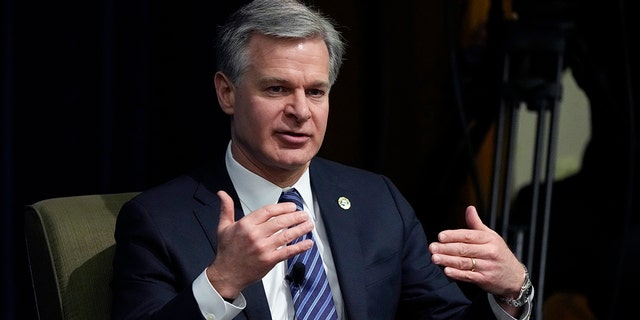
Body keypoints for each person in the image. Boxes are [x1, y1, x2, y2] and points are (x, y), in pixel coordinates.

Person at [111, 0, 534, 319]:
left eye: (315, 92)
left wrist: (512, 292)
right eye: (276, 89)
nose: (300, 111)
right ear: (227, 93)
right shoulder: (158, 221)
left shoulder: (377, 200)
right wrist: (221, 281)